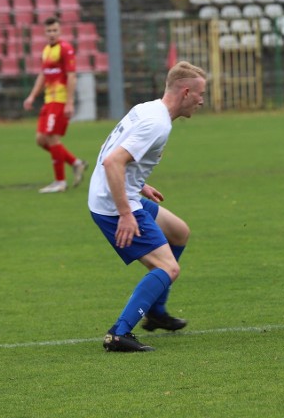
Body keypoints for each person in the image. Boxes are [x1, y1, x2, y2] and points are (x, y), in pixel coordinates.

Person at [88, 61, 207, 352]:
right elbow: (112, 161)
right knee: (168, 267)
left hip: (117, 192)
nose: (203, 100)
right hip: (114, 204)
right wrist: (127, 214)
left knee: (179, 232)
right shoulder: (157, 124)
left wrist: (139, 183)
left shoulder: (148, 108)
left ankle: (155, 311)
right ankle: (119, 333)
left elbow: (113, 149)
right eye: (201, 94)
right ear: (186, 92)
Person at [22, 16, 88, 193]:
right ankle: (76, 163)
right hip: (48, 100)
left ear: (60, 31)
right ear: (45, 33)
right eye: (49, 31)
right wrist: (32, 96)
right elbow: (43, 75)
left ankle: (60, 182)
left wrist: (69, 102)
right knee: (40, 140)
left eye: (54, 30)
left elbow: (72, 76)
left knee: (52, 138)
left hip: (59, 100)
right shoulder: (46, 50)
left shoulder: (65, 49)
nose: (52, 33)